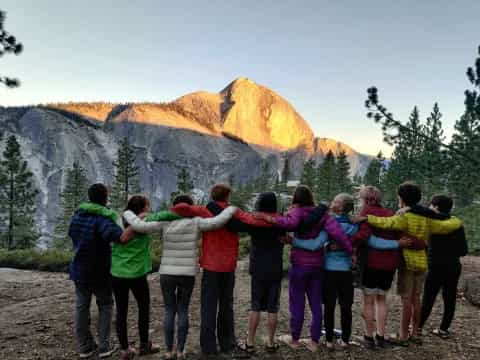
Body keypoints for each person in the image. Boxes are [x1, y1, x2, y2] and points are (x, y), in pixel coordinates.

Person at [122, 193, 238, 359]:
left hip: (167, 272)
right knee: (183, 310)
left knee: (169, 310)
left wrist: (127, 213)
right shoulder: (196, 222)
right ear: (190, 206)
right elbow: (216, 222)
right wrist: (231, 209)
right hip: (187, 273)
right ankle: (181, 351)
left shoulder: (164, 221)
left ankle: (169, 351)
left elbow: (139, 226)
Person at [352, 182, 463, 346]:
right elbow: (447, 225)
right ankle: (414, 332)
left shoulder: (402, 217)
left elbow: (387, 223)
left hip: (405, 262)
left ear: (401, 199)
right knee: (416, 299)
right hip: (422, 262)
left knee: (403, 300)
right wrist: (455, 219)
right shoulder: (426, 218)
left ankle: (401, 335)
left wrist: (366, 218)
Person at [171, 184, 270, 358]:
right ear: (228, 196)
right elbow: (252, 222)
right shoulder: (234, 212)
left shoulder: (205, 210)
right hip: (228, 266)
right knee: (226, 305)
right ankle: (227, 343)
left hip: (210, 266)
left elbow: (179, 208)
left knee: (208, 307)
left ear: (212, 195)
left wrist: (194, 207)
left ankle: (208, 347)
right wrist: (269, 217)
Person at [256, 185, 352, 352]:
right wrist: (351, 251)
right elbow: (338, 234)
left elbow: (289, 223)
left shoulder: (297, 212)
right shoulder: (323, 214)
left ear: (295, 198)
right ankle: (314, 341)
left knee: (297, 302)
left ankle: (295, 339)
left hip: (299, 265)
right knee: (316, 303)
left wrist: (270, 219)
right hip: (317, 266)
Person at [111, 195, 182, 359]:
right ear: (142, 208)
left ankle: (124, 349)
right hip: (137, 274)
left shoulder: (117, 220)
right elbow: (163, 217)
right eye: (147, 206)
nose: (149, 209)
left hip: (117, 272)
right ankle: (144, 345)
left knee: (121, 311)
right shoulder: (144, 223)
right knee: (143, 308)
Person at [68, 183, 125, 359]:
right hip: (100, 272)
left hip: (79, 269)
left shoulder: (78, 215)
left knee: (81, 307)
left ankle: (85, 348)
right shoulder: (102, 218)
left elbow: (71, 233)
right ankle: (104, 347)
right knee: (106, 305)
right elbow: (116, 235)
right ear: (105, 197)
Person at [237, 192, 286, 354]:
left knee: (255, 306)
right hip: (275, 268)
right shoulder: (281, 221)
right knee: (273, 308)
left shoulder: (254, 222)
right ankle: (271, 342)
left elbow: (239, 225)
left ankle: (250, 342)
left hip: (258, 268)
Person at [415, 195, 468, 338]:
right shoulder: (456, 224)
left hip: (435, 266)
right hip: (453, 266)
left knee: (428, 298)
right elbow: (464, 250)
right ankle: (444, 330)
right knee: (450, 299)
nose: (429, 207)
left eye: (431, 205)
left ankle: (418, 328)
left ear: (436, 207)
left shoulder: (430, 221)